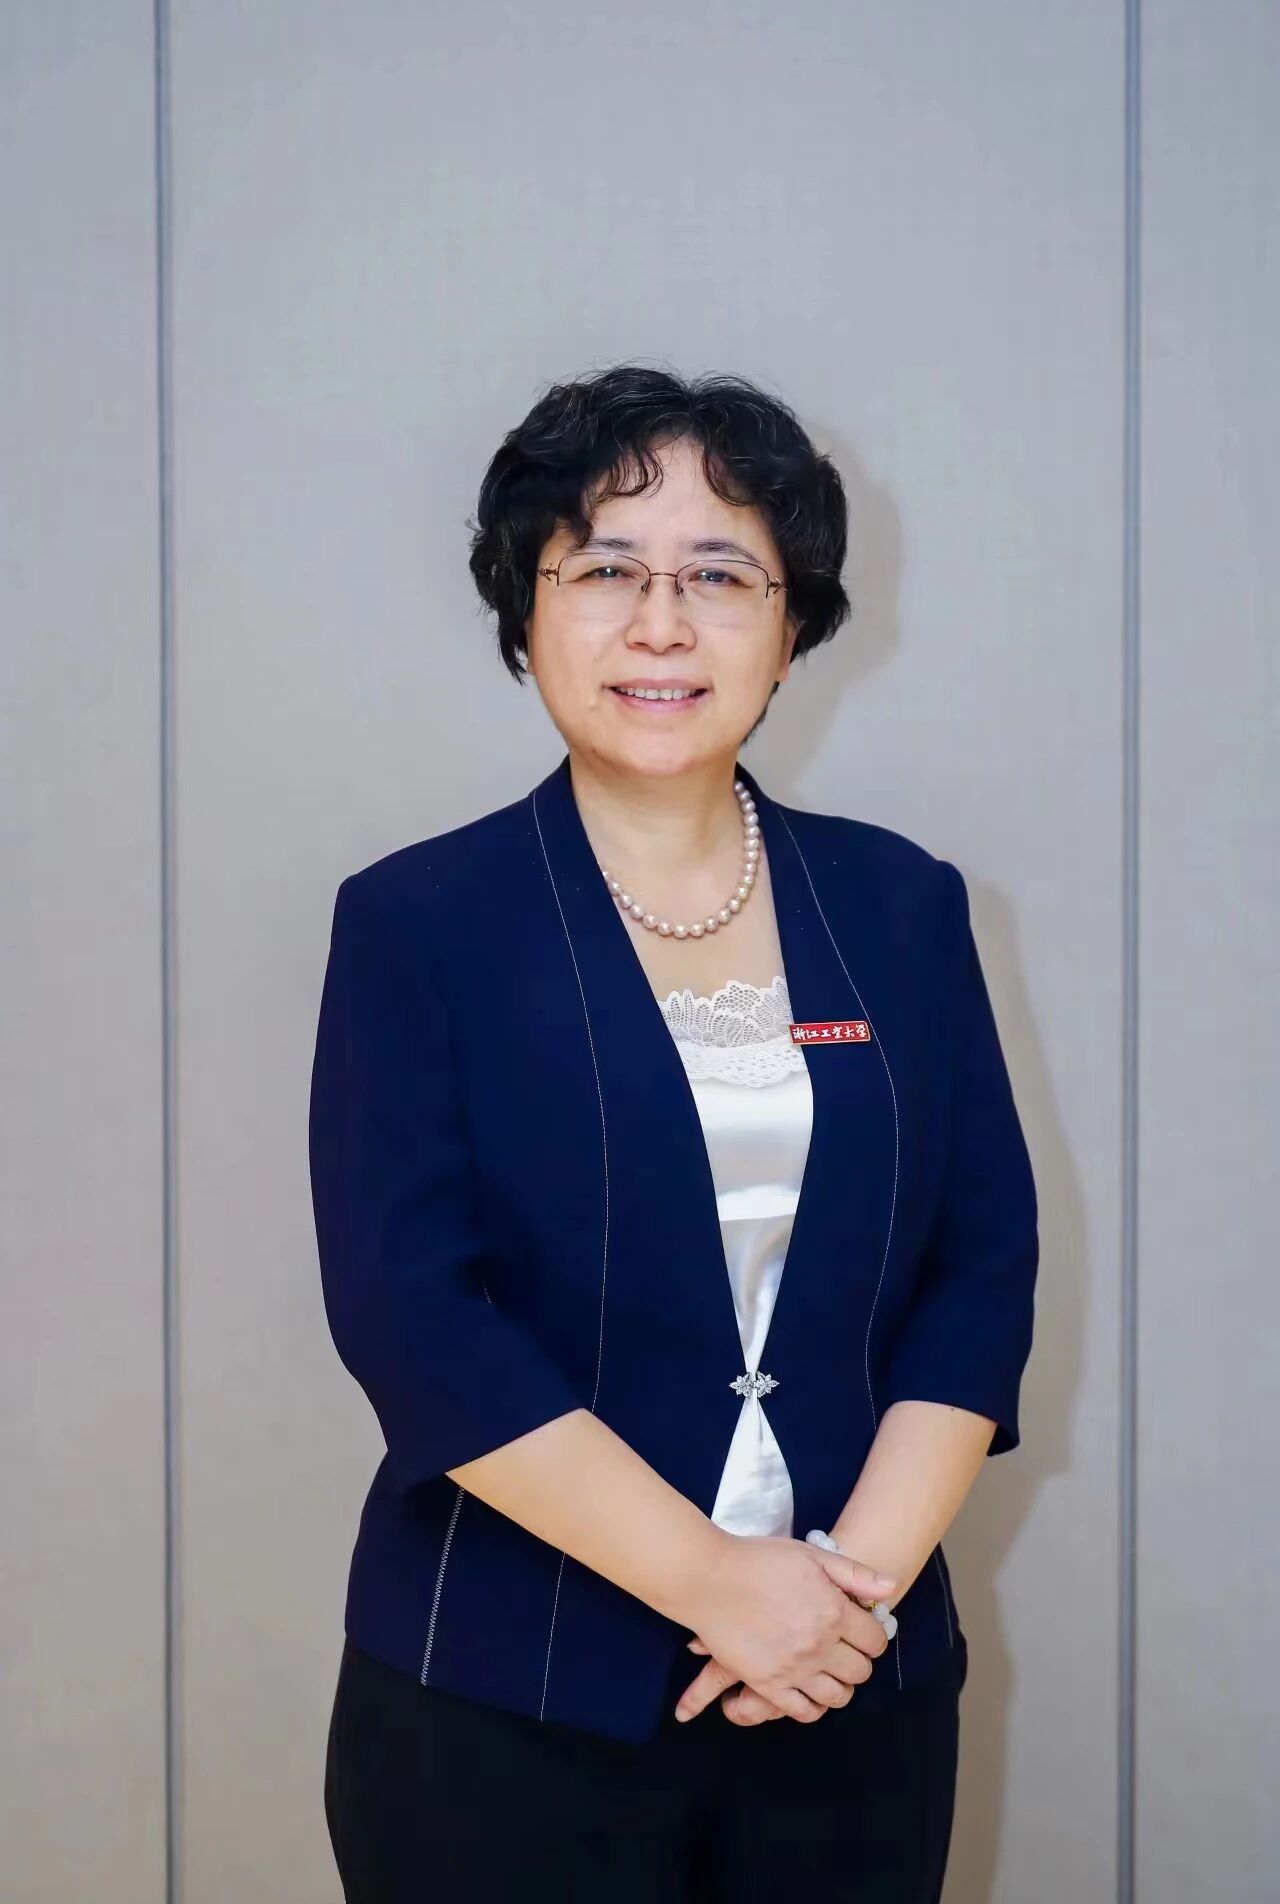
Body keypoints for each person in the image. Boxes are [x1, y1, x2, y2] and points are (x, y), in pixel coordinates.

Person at [308, 362, 1039, 1901]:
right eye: (603, 572)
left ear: (793, 623)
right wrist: (718, 1585)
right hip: (506, 1697)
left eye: (718, 575)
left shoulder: (902, 907)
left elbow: (980, 1270)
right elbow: (414, 1317)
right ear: (525, 613)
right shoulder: (421, 923)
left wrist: (845, 1602)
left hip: (852, 1688)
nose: (660, 625)